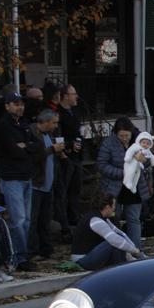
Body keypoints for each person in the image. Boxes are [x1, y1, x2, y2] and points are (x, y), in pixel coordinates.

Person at [0, 89, 39, 271]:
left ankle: (22, 253)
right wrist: (26, 148)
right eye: (15, 103)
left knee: (26, 219)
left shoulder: (25, 124)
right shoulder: (3, 126)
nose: (20, 107)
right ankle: (19, 257)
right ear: (7, 106)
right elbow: (14, 151)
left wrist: (26, 146)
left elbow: (37, 146)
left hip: (26, 176)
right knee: (18, 219)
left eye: (21, 103)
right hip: (12, 178)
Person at [97, 117, 152, 248]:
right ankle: (116, 250)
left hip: (135, 186)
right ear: (116, 133)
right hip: (114, 187)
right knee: (113, 219)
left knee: (134, 219)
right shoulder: (108, 143)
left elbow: (149, 161)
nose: (124, 138)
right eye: (121, 135)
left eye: (127, 135)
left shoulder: (140, 142)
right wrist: (123, 172)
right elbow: (102, 165)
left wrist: (144, 160)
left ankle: (135, 249)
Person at [71, 193, 146, 271]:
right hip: (82, 260)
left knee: (117, 243)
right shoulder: (95, 220)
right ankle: (123, 269)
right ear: (107, 207)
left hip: (91, 256)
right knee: (113, 243)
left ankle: (126, 267)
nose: (114, 209)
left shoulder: (103, 219)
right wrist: (135, 251)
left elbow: (121, 234)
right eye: (113, 206)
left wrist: (136, 252)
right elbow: (115, 240)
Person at [27, 110, 66, 258]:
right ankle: (32, 250)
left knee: (45, 219)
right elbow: (33, 156)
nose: (56, 126)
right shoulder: (32, 134)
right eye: (54, 122)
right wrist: (51, 149)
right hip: (36, 184)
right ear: (46, 121)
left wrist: (58, 152)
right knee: (33, 219)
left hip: (48, 184)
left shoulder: (48, 135)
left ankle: (46, 249)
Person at [54, 83, 84, 233]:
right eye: (73, 94)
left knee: (76, 189)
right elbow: (57, 136)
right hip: (64, 158)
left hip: (76, 156)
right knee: (63, 190)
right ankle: (63, 223)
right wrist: (67, 147)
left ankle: (75, 217)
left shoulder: (75, 112)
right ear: (65, 96)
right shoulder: (58, 114)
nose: (76, 97)